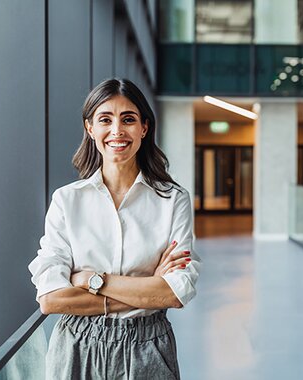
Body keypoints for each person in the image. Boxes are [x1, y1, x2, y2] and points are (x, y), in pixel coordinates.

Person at [28, 78, 200, 379]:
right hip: (76, 347)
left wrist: (91, 280)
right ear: (90, 128)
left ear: (144, 128)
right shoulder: (67, 200)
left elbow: (175, 292)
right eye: (105, 119)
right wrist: (148, 288)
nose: (117, 131)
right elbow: (51, 299)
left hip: (148, 346)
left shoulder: (173, 200)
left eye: (128, 119)